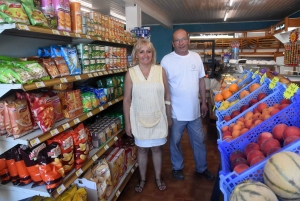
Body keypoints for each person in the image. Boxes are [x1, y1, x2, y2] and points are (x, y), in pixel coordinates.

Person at [161, 29, 215, 181]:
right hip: (176, 112)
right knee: (175, 142)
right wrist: (167, 111)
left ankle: (202, 168)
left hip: (194, 112)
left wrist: (203, 102)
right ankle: (177, 168)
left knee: (199, 141)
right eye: (177, 40)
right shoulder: (166, 60)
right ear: (173, 43)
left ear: (188, 41)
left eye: (183, 39)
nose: (181, 43)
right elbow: (164, 88)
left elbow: (201, 81)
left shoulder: (196, 58)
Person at [123, 39, 172, 192]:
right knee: (142, 150)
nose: (145, 55)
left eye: (148, 51)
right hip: (139, 119)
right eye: (141, 51)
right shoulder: (131, 73)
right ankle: (142, 178)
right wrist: (128, 123)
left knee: (157, 149)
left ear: (153, 53)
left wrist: (169, 117)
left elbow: (167, 95)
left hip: (159, 117)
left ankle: (158, 177)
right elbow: (127, 100)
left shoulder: (160, 70)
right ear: (136, 55)